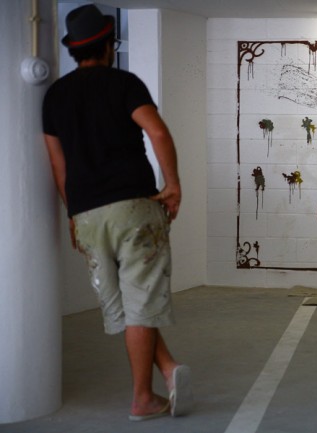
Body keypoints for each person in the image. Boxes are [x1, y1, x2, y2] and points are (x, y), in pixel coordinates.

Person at [42, 4, 192, 422]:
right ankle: (142, 398)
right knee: (140, 303)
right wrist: (173, 184)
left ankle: (168, 369)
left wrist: (73, 214)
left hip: (88, 215)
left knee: (127, 306)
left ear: (74, 49)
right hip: (134, 208)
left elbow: (57, 164)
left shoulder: (54, 96)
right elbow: (157, 131)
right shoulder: (124, 83)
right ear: (108, 45)